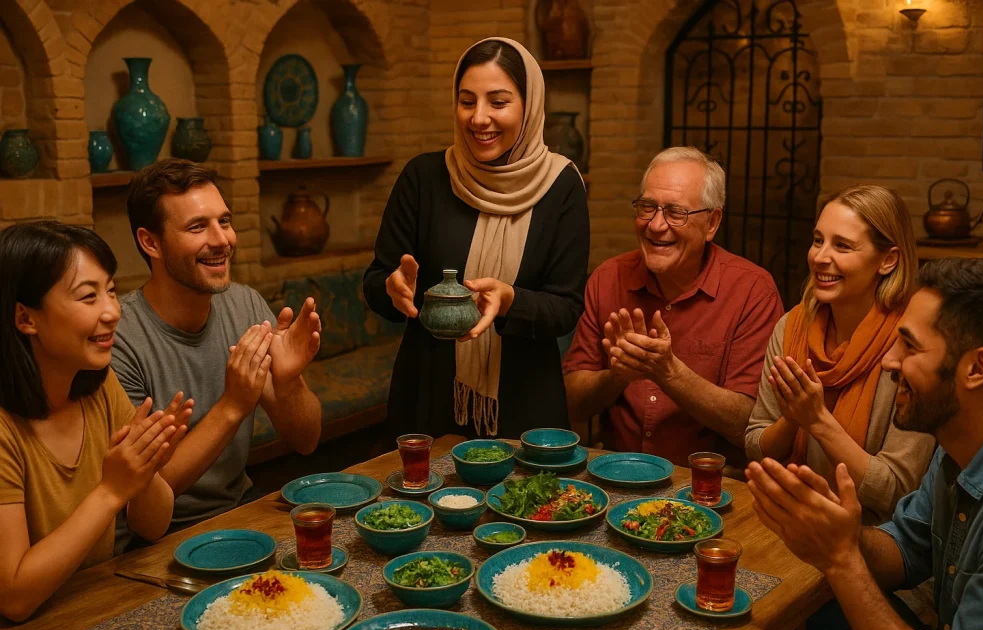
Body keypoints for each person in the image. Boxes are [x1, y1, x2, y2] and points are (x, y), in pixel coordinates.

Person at [741, 257, 983, 630]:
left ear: (976, 369)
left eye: (909, 346)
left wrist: (842, 558)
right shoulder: (959, 446)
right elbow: (907, 547)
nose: (890, 362)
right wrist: (838, 530)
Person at [363, 37, 589, 439]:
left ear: (529, 105)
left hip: (524, 403)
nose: (479, 118)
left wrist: (511, 300)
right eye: (467, 101)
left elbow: (566, 307)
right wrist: (392, 289)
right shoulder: (424, 178)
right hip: (428, 395)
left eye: (498, 102)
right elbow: (378, 281)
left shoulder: (561, 185)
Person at [111, 159, 322, 539]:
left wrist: (289, 382)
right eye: (197, 227)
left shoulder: (245, 305)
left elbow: (306, 441)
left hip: (239, 507)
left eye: (224, 221)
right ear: (150, 242)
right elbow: (145, 490)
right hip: (155, 536)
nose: (222, 239)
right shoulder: (120, 338)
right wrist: (233, 405)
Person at [0, 221, 190, 622]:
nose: (113, 312)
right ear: (25, 317)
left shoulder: (98, 386)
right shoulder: (5, 428)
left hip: (91, 605)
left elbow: (153, 526)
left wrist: (146, 471)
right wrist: (111, 491)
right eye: (89, 296)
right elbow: (13, 598)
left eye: (111, 291)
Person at [562, 147, 782, 466]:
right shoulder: (608, 278)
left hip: (709, 484)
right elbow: (572, 403)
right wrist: (618, 375)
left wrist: (668, 372)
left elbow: (748, 425)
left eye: (676, 213)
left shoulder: (752, 291)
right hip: (616, 473)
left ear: (712, 222)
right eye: (647, 207)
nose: (655, 225)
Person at [745, 185, 934, 524]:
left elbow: (895, 492)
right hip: (784, 514)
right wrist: (793, 418)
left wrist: (817, 420)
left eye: (842, 246)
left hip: (869, 537)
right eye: (818, 240)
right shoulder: (792, 327)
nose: (820, 257)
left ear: (888, 260)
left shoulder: (911, 346)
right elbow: (755, 446)